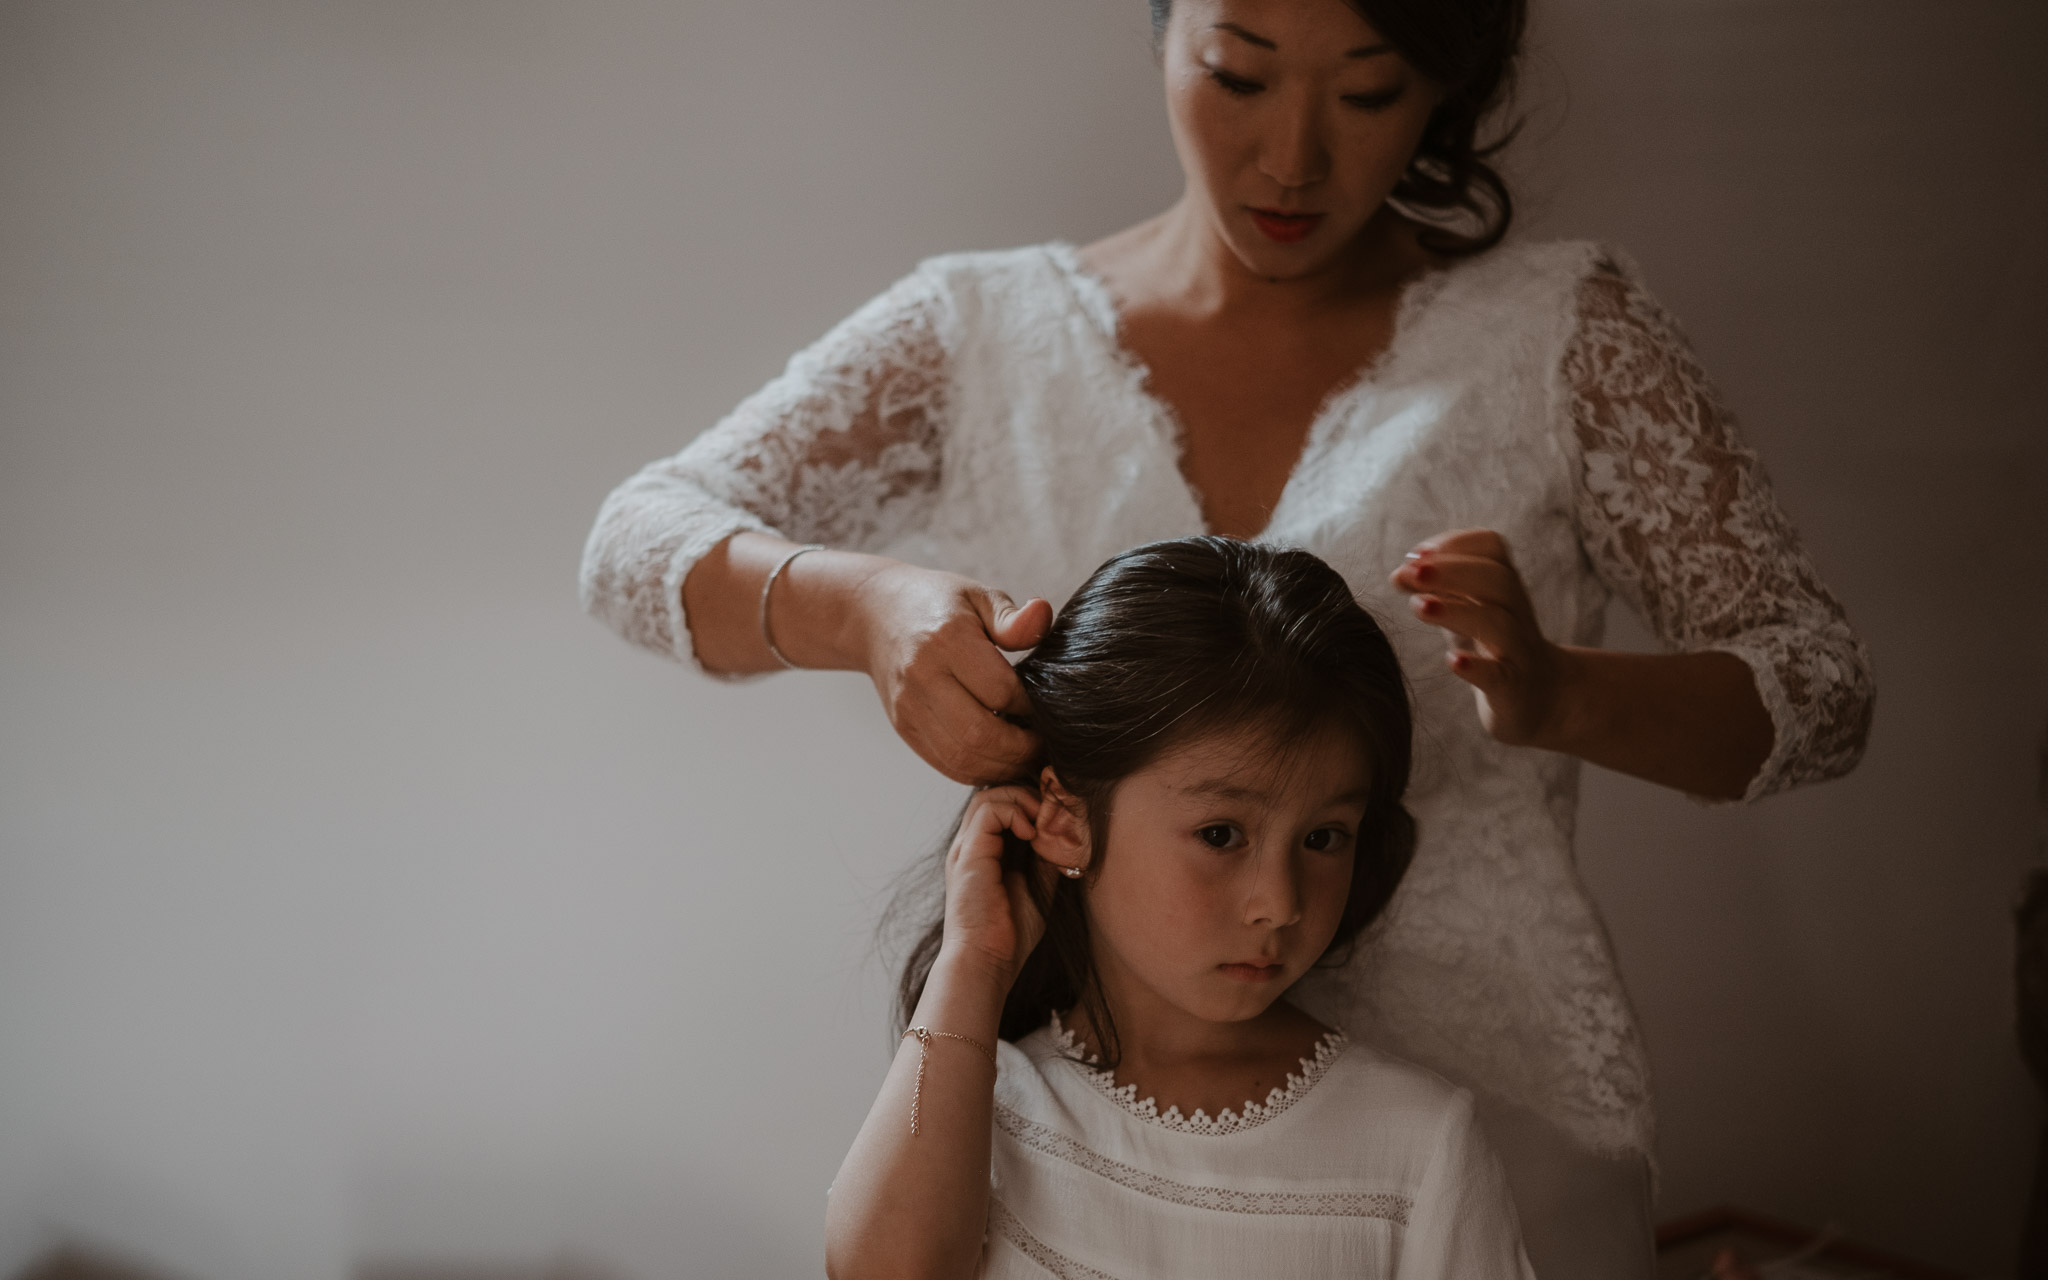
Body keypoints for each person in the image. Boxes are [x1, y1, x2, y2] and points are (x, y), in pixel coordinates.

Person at [579, 0, 1875, 1272]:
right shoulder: (981, 337)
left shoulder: (1561, 334)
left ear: (1446, 81)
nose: (1293, 157)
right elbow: (632, 542)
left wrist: (1559, 693)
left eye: (1367, 92)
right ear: (1162, 34)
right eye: (1240, 74)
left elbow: (1820, 689)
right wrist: (860, 609)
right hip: (1081, 1143)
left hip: (1497, 1129)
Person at [827, 536, 1535, 1280]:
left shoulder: (1416, 1146)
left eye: (1324, 837)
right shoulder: (980, 1110)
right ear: (1067, 821)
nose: (1280, 903)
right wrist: (976, 961)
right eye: (1221, 834)